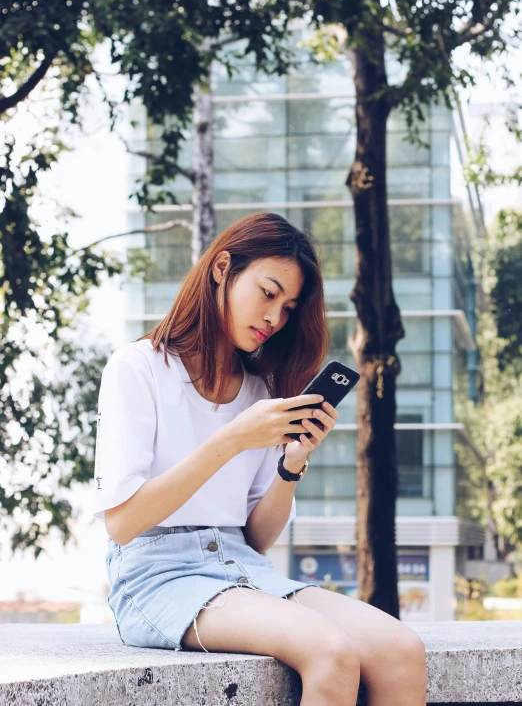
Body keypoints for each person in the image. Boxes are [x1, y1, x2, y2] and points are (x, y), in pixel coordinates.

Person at [93, 212, 426, 706]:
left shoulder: (260, 391)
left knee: (402, 649)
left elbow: (255, 538)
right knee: (330, 652)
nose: (275, 318)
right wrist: (233, 439)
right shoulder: (137, 368)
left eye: (289, 308)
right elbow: (121, 523)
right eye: (268, 293)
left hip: (242, 567)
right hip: (156, 575)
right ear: (222, 268)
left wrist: (291, 463)